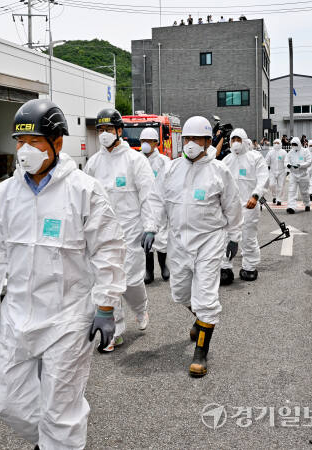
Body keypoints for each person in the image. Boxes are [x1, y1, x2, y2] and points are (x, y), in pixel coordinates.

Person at [0, 99, 126, 449]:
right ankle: (51, 442)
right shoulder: (7, 194)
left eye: (35, 142)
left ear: (57, 143)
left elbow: (109, 250)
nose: (24, 151)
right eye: (19, 142)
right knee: (8, 402)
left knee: (61, 413)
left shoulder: (84, 190)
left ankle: (57, 442)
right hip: (17, 316)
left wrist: (106, 306)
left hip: (68, 319)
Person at [146, 116, 242, 377]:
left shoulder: (219, 171)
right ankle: (200, 319)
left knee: (207, 298)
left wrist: (234, 236)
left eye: (196, 139)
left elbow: (232, 206)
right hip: (179, 242)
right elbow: (156, 200)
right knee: (180, 294)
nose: (190, 144)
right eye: (186, 139)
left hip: (209, 242)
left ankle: (201, 353)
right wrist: (151, 227)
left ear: (208, 142)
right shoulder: (171, 169)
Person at [84, 108, 155, 352]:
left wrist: (151, 227)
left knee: (132, 281)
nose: (103, 134)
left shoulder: (135, 161)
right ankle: (114, 332)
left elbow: (149, 197)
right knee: (106, 281)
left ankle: (141, 307)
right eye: (100, 130)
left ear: (119, 131)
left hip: (131, 233)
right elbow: (84, 199)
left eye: (108, 129)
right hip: (102, 236)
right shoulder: (93, 163)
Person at [219, 129, 268, 284]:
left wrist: (256, 195)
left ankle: (249, 267)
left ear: (245, 140)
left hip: (249, 206)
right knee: (226, 237)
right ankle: (225, 267)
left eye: (238, 139)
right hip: (230, 207)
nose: (235, 142)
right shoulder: (226, 160)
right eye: (233, 139)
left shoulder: (255, 157)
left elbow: (263, 178)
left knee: (248, 237)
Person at [138, 127, 170, 284]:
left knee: (162, 238)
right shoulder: (137, 160)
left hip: (160, 205)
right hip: (143, 205)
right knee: (146, 239)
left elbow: (170, 183)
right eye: (143, 141)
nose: (145, 144)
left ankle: (164, 266)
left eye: (148, 141)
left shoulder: (163, 161)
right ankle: (148, 271)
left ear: (156, 143)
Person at [285, 136, 312, 214]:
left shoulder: (305, 151)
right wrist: (288, 165)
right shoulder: (290, 152)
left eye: (295, 144)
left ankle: (307, 204)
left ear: (299, 144)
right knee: (291, 191)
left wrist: (300, 165)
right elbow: (286, 160)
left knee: (304, 192)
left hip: (303, 175)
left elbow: (309, 162)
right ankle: (291, 207)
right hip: (293, 175)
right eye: (292, 144)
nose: (294, 146)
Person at [265, 139, 288, 205]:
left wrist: (287, 170)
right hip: (272, 171)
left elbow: (286, 161)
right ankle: (274, 196)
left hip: (282, 171)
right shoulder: (270, 152)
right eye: (275, 143)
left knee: (281, 186)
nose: (276, 144)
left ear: (280, 143)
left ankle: (279, 199)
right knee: (272, 184)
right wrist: (266, 168)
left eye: (277, 143)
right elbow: (267, 161)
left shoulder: (284, 152)